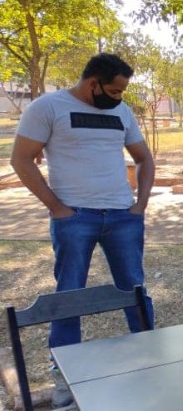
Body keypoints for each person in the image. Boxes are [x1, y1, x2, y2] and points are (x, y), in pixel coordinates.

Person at [10, 53, 156, 408]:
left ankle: (153, 362)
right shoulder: (48, 108)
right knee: (69, 296)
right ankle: (64, 377)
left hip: (122, 216)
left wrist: (140, 204)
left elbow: (144, 158)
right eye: (114, 90)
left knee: (135, 291)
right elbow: (21, 158)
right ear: (93, 84)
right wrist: (57, 208)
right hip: (74, 219)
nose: (119, 97)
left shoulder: (122, 112)